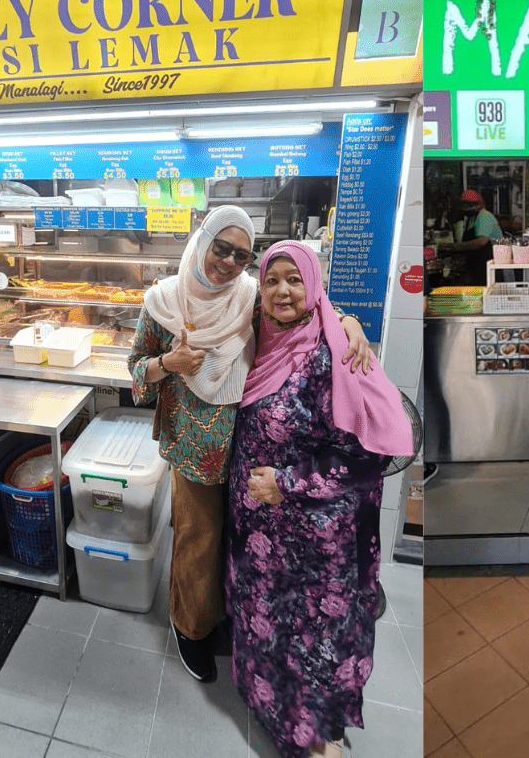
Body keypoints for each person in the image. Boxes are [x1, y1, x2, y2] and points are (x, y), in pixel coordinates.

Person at [128, 207, 370, 685]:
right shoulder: (162, 302)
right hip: (194, 449)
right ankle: (190, 627)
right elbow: (137, 372)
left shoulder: (250, 298)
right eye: (222, 248)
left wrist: (350, 322)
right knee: (200, 538)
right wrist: (167, 363)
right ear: (203, 241)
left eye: (241, 255)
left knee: (241, 539)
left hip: (252, 447)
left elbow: (302, 304)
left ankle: (229, 618)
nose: (229, 262)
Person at [227, 240, 413, 758]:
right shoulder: (260, 341)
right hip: (261, 534)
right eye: (271, 280)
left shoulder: (339, 353)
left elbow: (367, 456)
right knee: (267, 627)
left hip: (316, 541)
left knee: (313, 638)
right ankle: (275, 714)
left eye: (295, 279)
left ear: (314, 285)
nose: (282, 290)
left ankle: (313, 737)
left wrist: (285, 484)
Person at [437, 189, 503, 285]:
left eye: (468, 205)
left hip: (489, 263)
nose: (465, 208)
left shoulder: (484, 216)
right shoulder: (471, 219)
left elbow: (481, 242)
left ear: (478, 205)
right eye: (463, 205)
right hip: (476, 265)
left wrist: (456, 247)